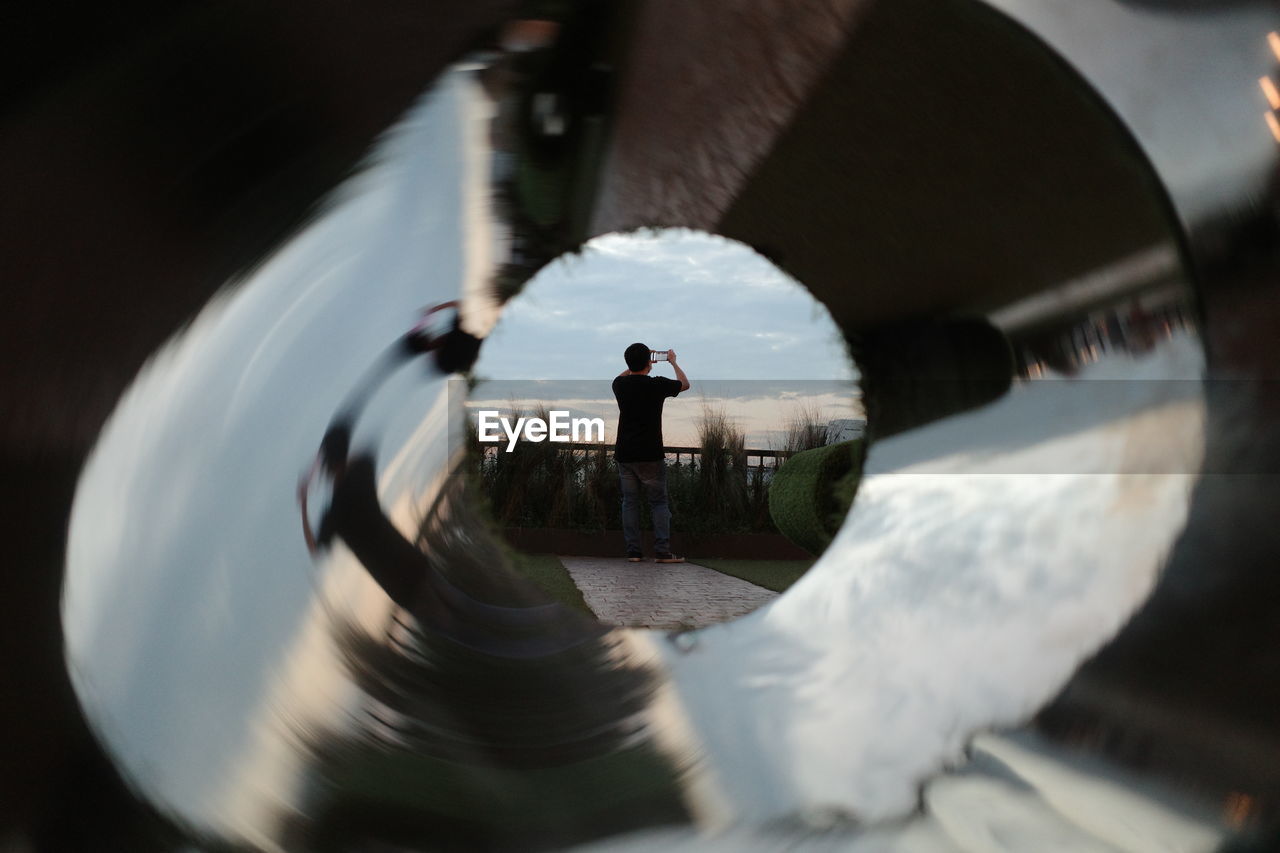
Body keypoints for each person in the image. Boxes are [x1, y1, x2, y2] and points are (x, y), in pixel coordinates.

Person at [611, 342, 690, 563]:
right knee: (658, 503)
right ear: (649, 362)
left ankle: (634, 552)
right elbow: (684, 384)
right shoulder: (657, 385)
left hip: (625, 453)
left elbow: (622, 376)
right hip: (651, 452)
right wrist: (673, 361)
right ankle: (662, 551)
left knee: (630, 502)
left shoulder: (620, 385)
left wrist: (638, 364)